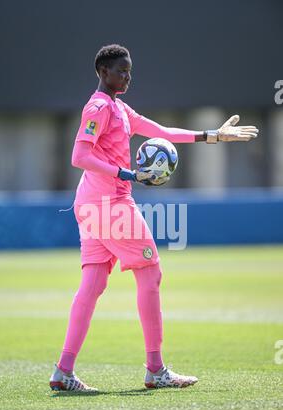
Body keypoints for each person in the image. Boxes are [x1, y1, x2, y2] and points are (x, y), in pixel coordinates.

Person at [49, 44, 259, 392]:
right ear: (102, 72)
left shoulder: (119, 107)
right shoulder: (99, 106)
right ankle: (156, 369)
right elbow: (79, 156)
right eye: (120, 71)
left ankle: (63, 371)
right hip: (110, 204)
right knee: (151, 271)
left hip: (90, 204)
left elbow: (160, 131)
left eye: (129, 70)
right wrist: (127, 174)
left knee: (94, 283)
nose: (127, 76)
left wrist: (211, 136)